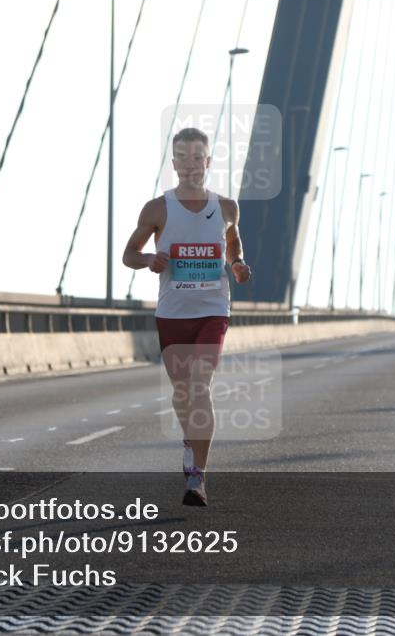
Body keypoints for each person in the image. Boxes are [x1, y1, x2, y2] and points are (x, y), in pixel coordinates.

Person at [122, 127, 252, 507]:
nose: (192, 164)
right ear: (174, 162)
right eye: (184, 157)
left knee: (200, 384)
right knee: (183, 393)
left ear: (208, 162)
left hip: (213, 310)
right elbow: (129, 253)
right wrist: (148, 259)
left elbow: (233, 243)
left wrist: (239, 264)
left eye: (200, 157)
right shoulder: (157, 208)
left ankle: (197, 476)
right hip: (173, 313)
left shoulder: (227, 207)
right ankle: (189, 440)